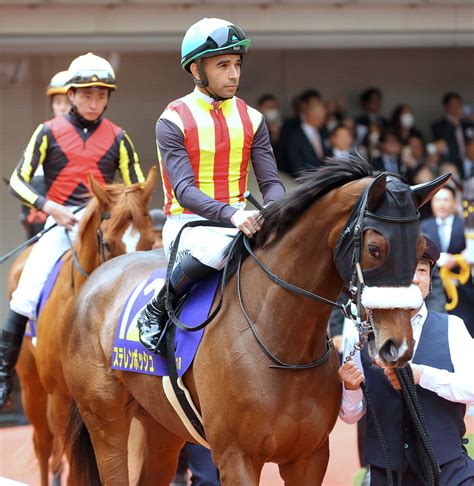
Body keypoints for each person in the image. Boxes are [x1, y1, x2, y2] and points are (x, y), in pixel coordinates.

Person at [0, 52, 145, 408]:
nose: (94, 102)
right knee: (25, 292)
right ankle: (3, 374)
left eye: (101, 95)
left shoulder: (119, 137)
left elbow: (138, 186)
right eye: (86, 95)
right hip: (59, 223)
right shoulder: (47, 132)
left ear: (108, 97)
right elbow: (18, 181)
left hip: (104, 228)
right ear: (73, 94)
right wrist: (50, 207)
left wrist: (123, 211)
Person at [137, 17, 284, 355]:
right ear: (196, 70)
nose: (234, 74)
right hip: (189, 224)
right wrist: (232, 215)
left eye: (236, 64)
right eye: (222, 65)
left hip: (240, 221)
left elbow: (271, 182)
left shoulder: (254, 118)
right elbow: (184, 190)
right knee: (220, 248)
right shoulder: (172, 120)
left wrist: (277, 210)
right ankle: (158, 308)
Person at [339, 236, 474, 485]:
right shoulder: (360, 337)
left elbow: (471, 388)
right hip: (388, 473)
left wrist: (423, 375)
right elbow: (349, 415)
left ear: (429, 280)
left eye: (422, 270)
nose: (414, 278)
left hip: (448, 469)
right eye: (407, 270)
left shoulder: (453, 327)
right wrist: (350, 389)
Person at [20, 70, 72, 239]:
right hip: (47, 223)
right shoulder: (43, 135)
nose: (63, 107)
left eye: (67, 102)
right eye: (58, 102)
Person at [421, 185, 474, 336]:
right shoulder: (423, 226)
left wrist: (460, 259)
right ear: (432, 203)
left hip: (464, 291)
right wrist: (442, 258)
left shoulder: (466, 224)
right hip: (435, 290)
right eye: (437, 200)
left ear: (454, 202)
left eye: (446, 200)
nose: (441, 204)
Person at [431, 92, 474, 179]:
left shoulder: (467, 124)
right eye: (453, 104)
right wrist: (454, 121)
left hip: (469, 160)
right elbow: (442, 141)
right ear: (446, 107)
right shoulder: (438, 125)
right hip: (450, 162)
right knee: (450, 172)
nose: (456, 106)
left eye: (458, 104)